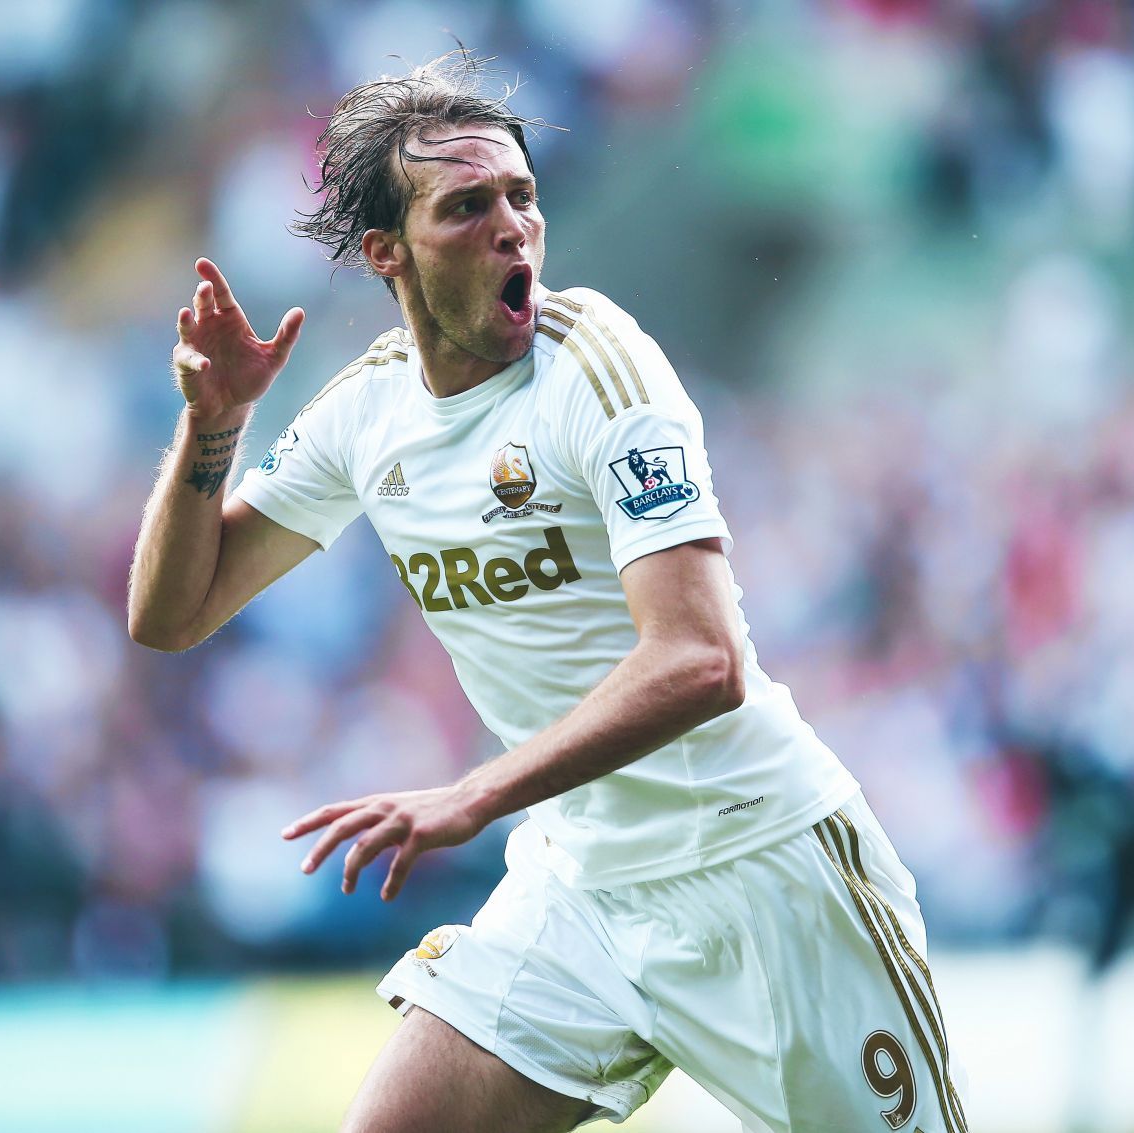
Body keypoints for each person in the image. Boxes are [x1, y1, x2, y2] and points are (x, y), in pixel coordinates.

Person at [127, 51, 966, 1133]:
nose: (513, 228)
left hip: (760, 866)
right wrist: (215, 424)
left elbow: (700, 659)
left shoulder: (596, 363)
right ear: (386, 252)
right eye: (466, 207)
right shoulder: (367, 413)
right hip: (579, 888)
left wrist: (475, 795)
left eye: (522, 197)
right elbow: (171, 614)